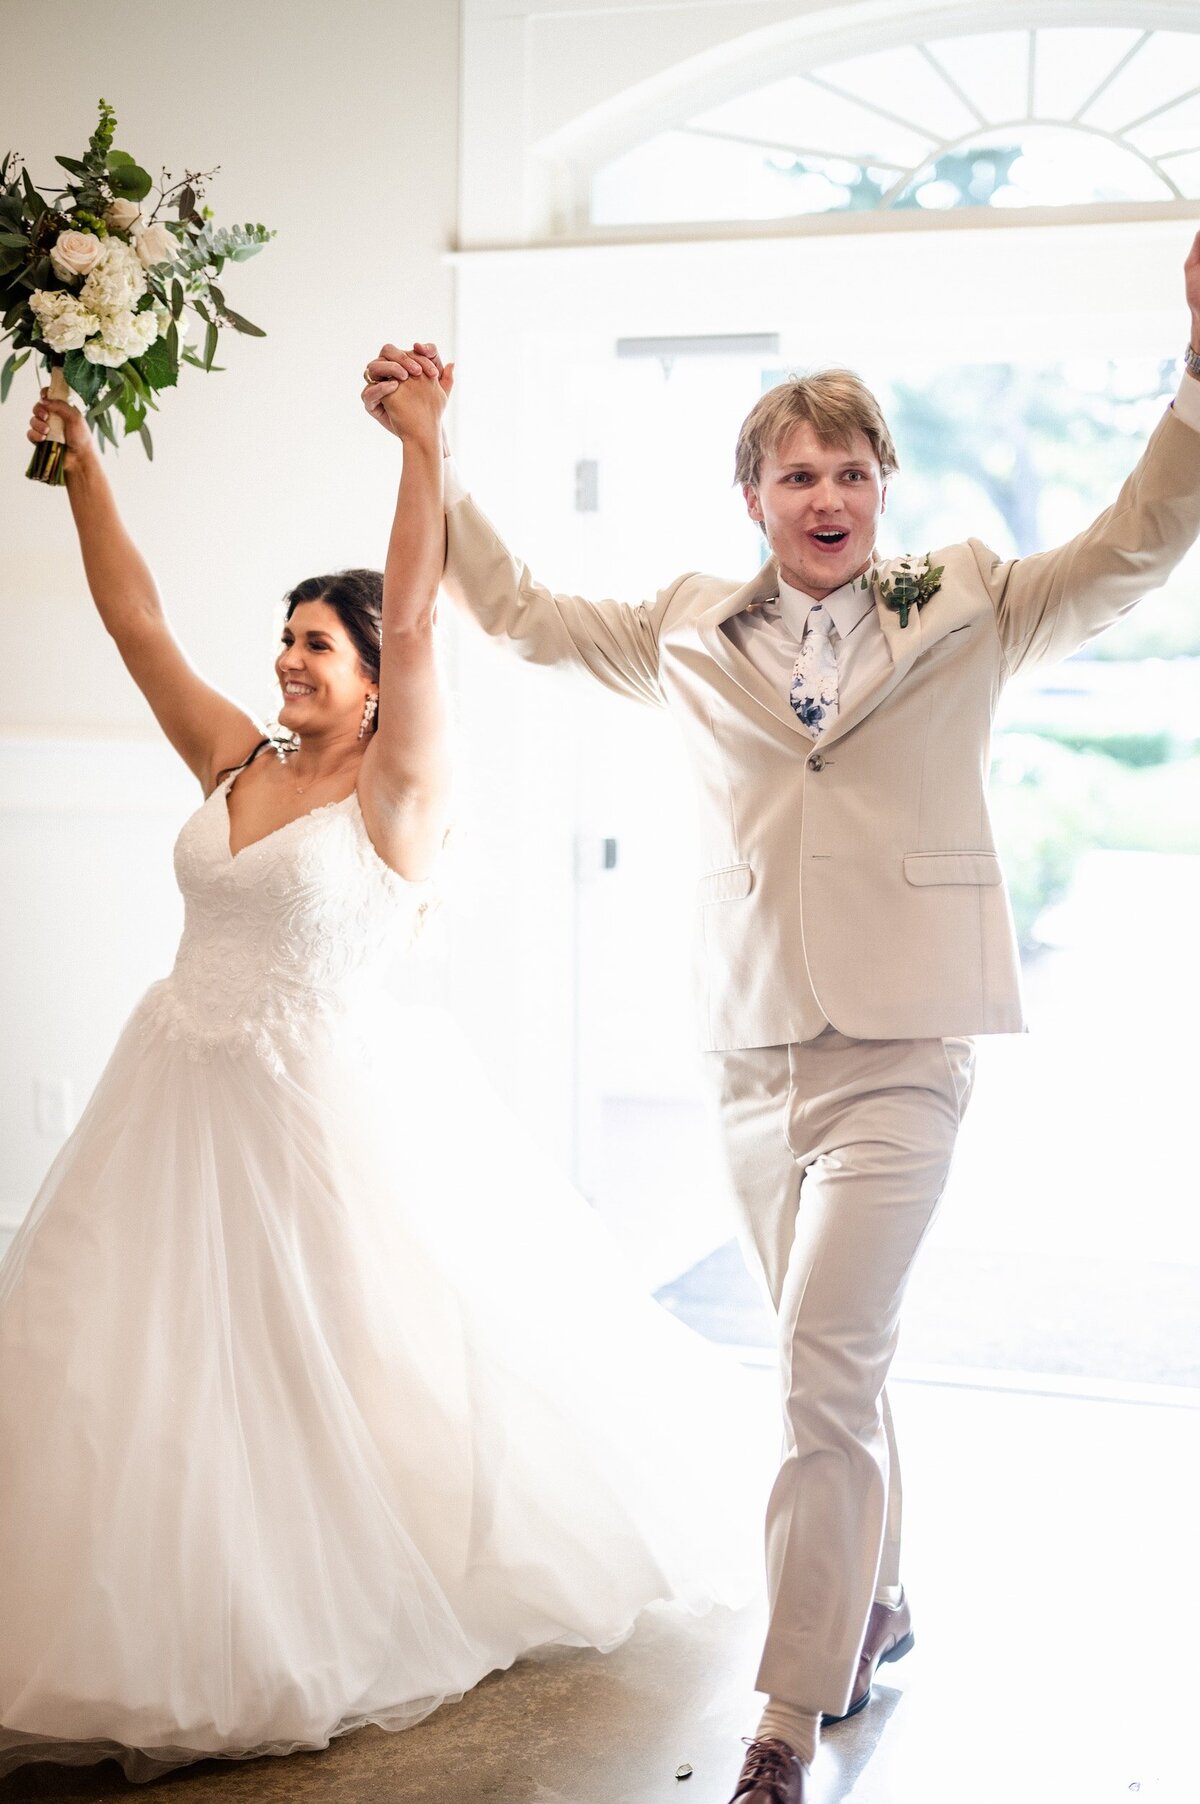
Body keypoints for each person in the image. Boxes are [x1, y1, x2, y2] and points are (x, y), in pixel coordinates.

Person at [370, 229, 1200, 1803]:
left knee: (818, 1358)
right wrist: (435, 450)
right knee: (845, 1363)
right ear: (751, 498)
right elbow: (526, 615)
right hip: (750, 1052)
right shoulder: (688, 627)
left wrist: (1199, 381)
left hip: (906, 1048)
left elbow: (1136, 546)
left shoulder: (969, 604)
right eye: (797, 473)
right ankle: (879, 1596)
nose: (827, 498)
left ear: (884, 487)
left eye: (852, 472)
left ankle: (782, 1720)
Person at [0, 356, 761, 1782]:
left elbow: (417, 618)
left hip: (307, 1115)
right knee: (133, 1363)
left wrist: (425, 444)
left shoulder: (397, 797)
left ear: (368, 684)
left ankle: (332, 1584)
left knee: (325, 1366)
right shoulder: (234, 763)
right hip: (168, 1095)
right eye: (285, 637)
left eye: (318, 647)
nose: (290, 659)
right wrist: (81, 466)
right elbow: (134, 621)